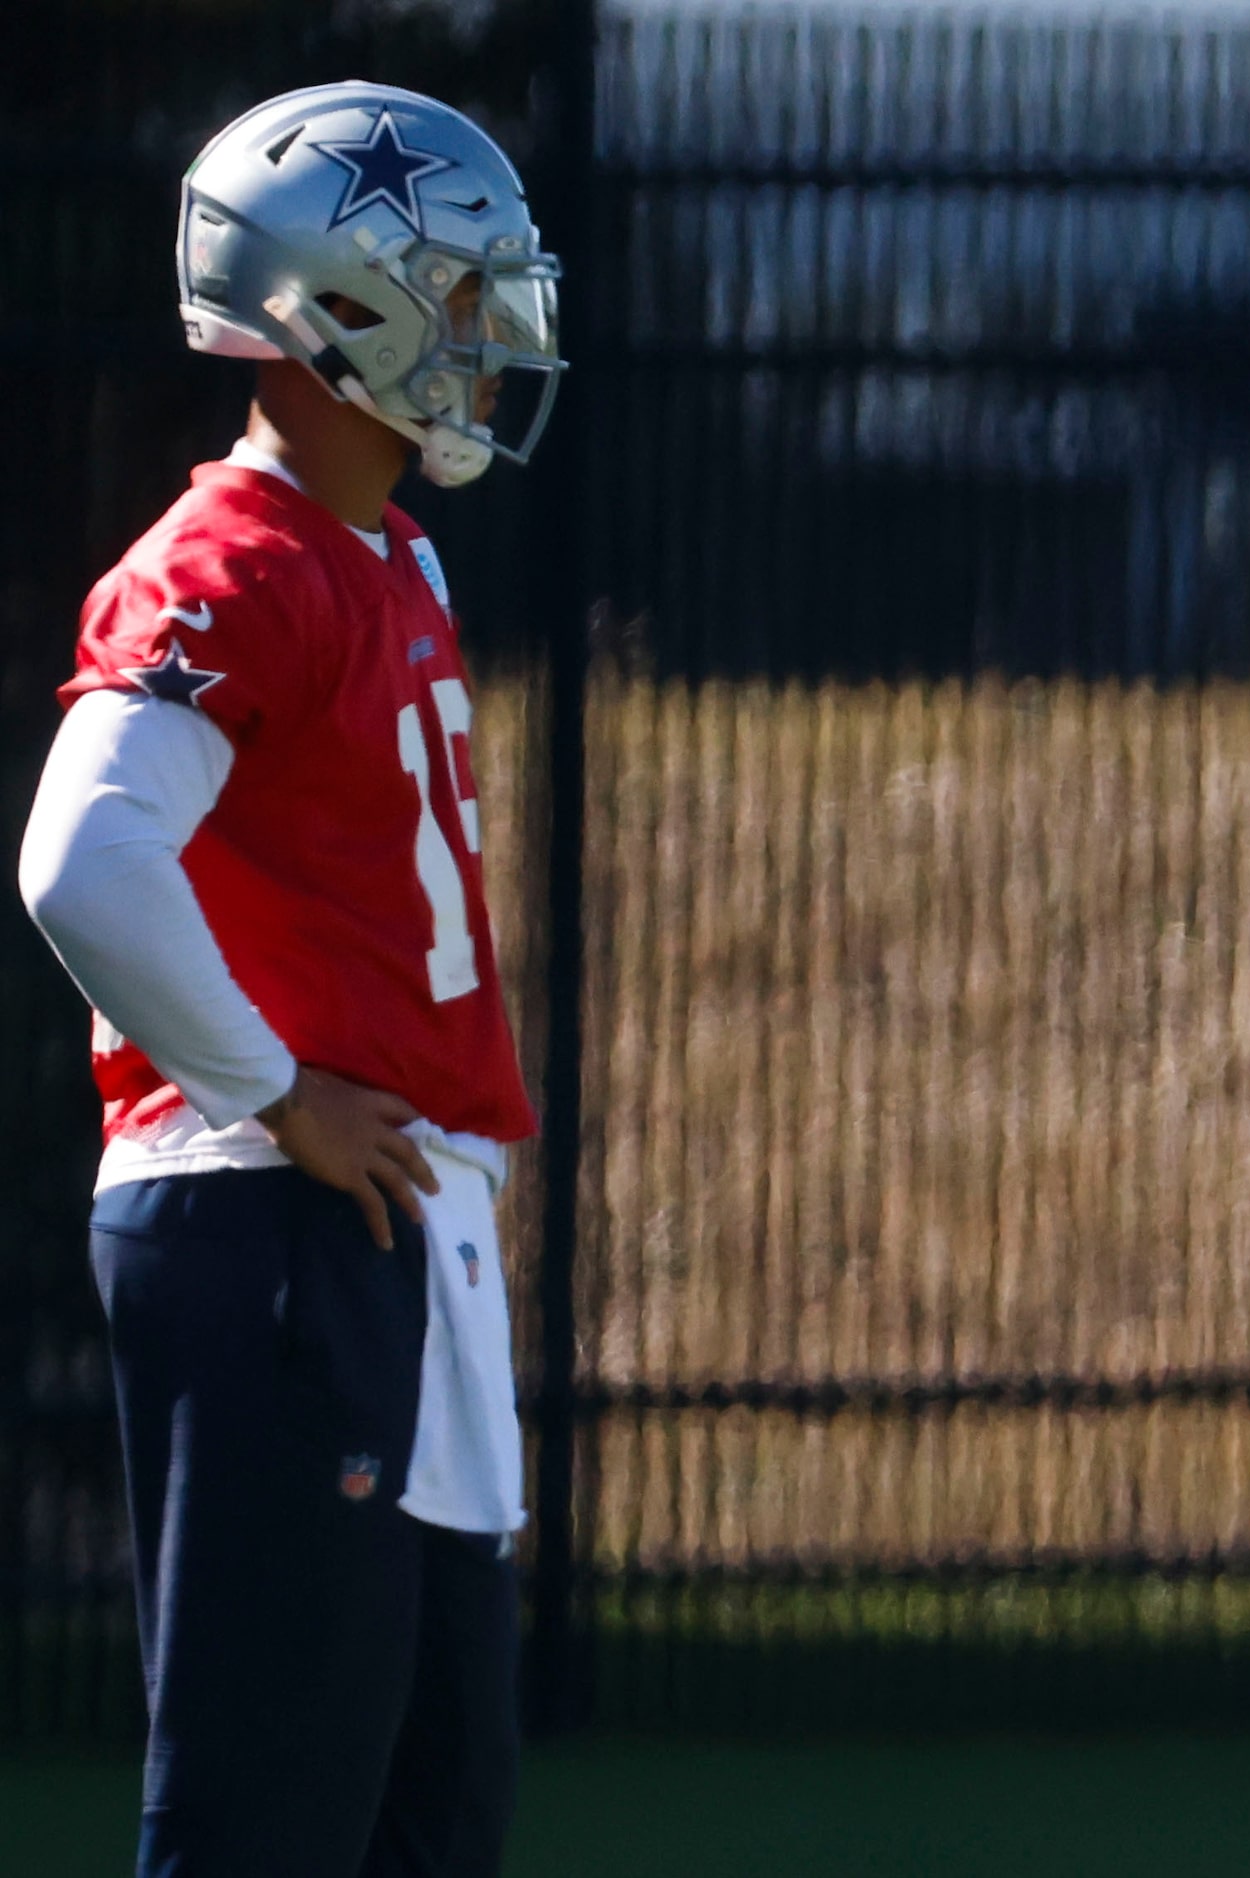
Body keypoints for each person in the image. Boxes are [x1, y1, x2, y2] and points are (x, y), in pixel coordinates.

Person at [17, 82, 562, 1875]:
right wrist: (274, 1087)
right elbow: (82, 860)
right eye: (462, 295)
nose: (491, 337)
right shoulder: (228, 564)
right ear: (341, 310)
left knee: (427, 1808)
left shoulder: (391, 545)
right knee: (269, 1811)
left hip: (385, 1223)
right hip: (271, 1214)